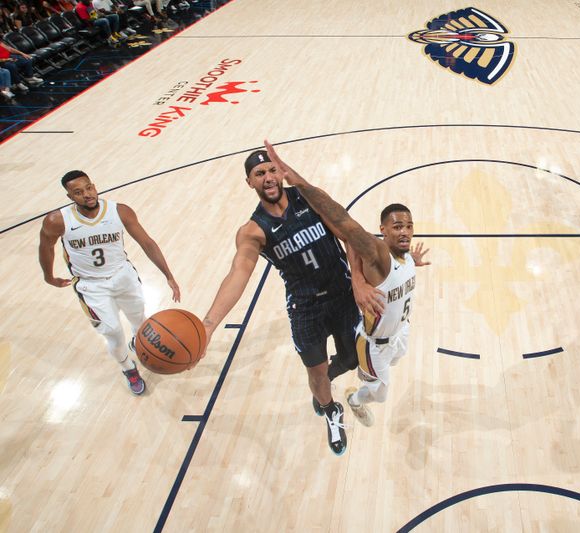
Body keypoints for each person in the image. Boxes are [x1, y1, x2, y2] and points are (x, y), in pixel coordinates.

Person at [201, 146, 363, 456]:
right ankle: (330, 409)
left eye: (272, 170)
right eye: (259, 174)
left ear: (282, 171)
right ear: (249, 182)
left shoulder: (310, 199)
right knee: (315, 373)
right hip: (305, 308)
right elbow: (238, 273)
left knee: (351, 360)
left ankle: (325, 382)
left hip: (342, 295)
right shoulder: (252, 231)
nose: (268, 177)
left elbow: (348, 232)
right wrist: (208, 325)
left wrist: (357, 280)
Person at [261, 141, 430, 428]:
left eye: (408, 226)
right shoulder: (378, 254)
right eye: (397, 227)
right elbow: (343, 221)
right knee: (380, 392)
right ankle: (350, 398)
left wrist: (411, 260)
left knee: (394, 361)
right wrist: (293, 178)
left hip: (400, 332)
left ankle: (352, 376)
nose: (404, 231)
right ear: (382, 230)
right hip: (375, 344)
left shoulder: (404, 256)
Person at [38, 170, 181, 395]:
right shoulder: (57, 220)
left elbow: (147, 243)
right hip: (91, 286)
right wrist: (48, 276)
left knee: (140, 320)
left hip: (123, 275)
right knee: (112, 331)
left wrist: (168, 275)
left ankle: (139, 342)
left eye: (89, 188)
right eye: (78, 192)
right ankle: (128, 368)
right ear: (70, 197)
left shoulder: (119, 211)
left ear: (94, 186)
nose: (87, 195)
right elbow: (45, 246)